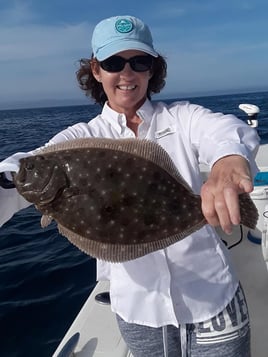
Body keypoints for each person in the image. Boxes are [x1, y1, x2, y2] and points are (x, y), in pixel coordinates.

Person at [0, 15, 260, 357]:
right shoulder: (78, 141)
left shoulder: (181, 117)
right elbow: (21, 167)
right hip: (139, 310)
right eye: (113, 62)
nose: (127, 73)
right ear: (96, 70)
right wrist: (8, 173)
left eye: (139, 62)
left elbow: (225, 130)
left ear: (152, 69)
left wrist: (227, 161)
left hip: (213, 300)